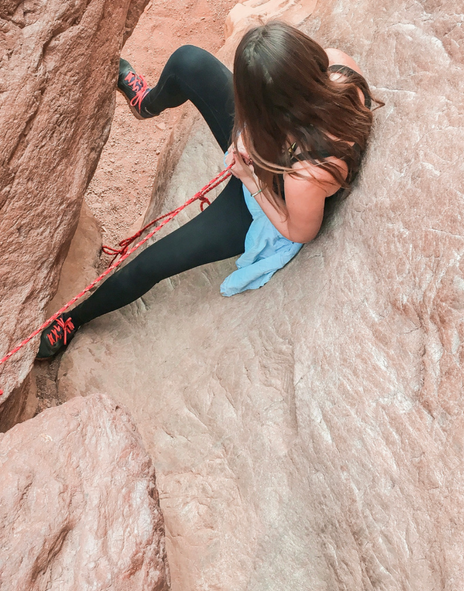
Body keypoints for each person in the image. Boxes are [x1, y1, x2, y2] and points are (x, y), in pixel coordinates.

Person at [36, 20, 381, 359]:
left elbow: (299, 230)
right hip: (271, 148)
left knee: (153, 264)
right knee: (190, 62)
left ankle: (73, 318)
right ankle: (147, 104)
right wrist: (253, 135)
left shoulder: (307, 173)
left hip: (265, 197)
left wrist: (249, 177)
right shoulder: (337, 66)